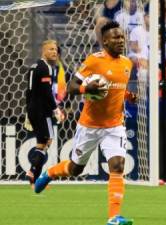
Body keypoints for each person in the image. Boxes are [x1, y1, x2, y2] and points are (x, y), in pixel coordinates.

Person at [34, 21, 136, 225]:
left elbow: (114, 89)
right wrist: (85, 90)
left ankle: (114, 217)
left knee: (117, 165)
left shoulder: (127, 63)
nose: (120, 40)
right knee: (75, 169)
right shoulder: (94, 61)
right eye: (115, 37)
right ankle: (50, 172)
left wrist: (127, 96)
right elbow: (72, 86)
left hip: (115, 125)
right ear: (105, 41)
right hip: (89, 126)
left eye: (122, 37)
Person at [25, 40, 66, 186]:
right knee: (46, 141)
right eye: (51, 49)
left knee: (42, 142)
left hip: (33, 109)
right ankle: (33, 175)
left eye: (55, 49)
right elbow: (46, 92)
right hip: (42, 111)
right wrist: (56, 110)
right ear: (43, 51)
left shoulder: (34, 66)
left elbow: (29, 91)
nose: (54, 52)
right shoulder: (45, 67)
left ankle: (33, 175)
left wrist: (28, 110)